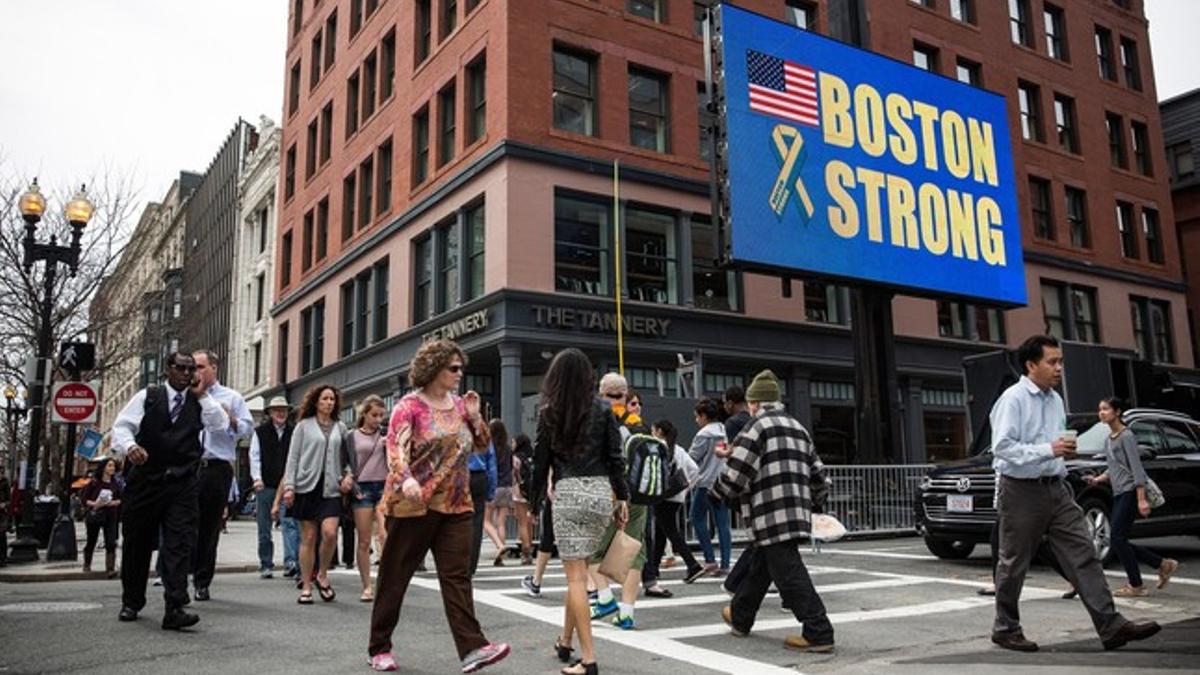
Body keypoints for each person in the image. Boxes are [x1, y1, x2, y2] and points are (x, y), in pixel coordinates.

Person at [989, 335, 1160, 652]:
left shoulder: (1055, 399)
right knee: (1013, 563)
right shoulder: (1013, 399)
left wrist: (1063, 452)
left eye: (1060, 361)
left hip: (1057, 488)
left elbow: (1057, 442)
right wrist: (1048, 448)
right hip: (1021, 490)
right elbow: (1002, 447)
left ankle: (1110, 626)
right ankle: (1005, 628)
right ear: (1030, 365)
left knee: (1084, 553)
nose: (1059, 368)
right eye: (1052, 362)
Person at [368, 339, 510, 673]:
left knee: (457, 577)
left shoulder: (461, 405)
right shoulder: (409, 406)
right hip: (415, 504)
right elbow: (395, 448)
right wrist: (406, 480)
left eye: (462, 368)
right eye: (454, 368)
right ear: (434, 369)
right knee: (395, 576)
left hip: (457, 504)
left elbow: (481, 446)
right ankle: (379, 648)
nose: (461, 374)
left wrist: (475, 417)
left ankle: (473, 648)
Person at [713, 369, 835, 653]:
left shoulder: (756, 428)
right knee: (762, 566)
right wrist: (816, 501)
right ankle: (740, 617)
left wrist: (715, 494)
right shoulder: (798, 428)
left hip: (769, 514)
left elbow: (737, 473)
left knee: (789, 575)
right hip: (796, 512)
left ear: (754, 403)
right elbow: (819, 475)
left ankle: (819, 631)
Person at [110, 351, 230, 629]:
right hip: (146, 481)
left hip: (182, 483)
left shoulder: (200, 402)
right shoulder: (148, 397)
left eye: (192, 370)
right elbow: (122, 427)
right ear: (168, 370)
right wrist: (130, 447)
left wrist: (201, 395)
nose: (187, 374)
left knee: (179, 544)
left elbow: (220, 426)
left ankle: (175, 607)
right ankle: (131, 601)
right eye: (181, 368)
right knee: (137, 543)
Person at [533, 349, 629, 675]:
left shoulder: (549, 412)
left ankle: (588, 661)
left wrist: (534, 504)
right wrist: (623, 499)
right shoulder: (604, 409)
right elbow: (617, 458)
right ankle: (565, 641)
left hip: (569, 493)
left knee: (576, 578)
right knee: (581, 572)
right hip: (601, 492)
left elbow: (540, 463)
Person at [1085, 397, 1179, 597]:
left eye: (1105, 409)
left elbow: (1136, 468)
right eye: (1099, 409)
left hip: (1130, 492)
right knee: (1119, 539)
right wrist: (1098, 479)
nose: (1101, 413)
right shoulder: (1109, 439)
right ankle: (1162, 564)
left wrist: (1141, 498)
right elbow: (1113, 468)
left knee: (1117, 538)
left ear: (1117, 412)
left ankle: (1137, 584)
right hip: (1119, 492)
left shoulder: (1126, 436)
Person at [189, 350, 254, 602]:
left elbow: (247, 430)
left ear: (214, 368)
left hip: (216, 468)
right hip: (189, 466)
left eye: (201, 366)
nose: (196, 372)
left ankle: (202, 581)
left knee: (208, 527)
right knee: (183, 523)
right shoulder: (185, 395)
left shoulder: (232, 396)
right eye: (193, 367)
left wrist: (232, 418)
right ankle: (178, 573)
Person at [282, 384, 353, 606]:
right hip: (306, 487)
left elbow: (348, 457)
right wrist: (289, 487)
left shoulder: (340, 427)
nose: (329, 403)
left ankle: (322, 574)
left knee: (330, 533)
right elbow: (292, 458)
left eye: (332, 399)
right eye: (324, 399)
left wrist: (349, 476)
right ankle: (306, 585)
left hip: (331, 487)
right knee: (309, 537)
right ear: (316, 402)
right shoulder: (303, 426)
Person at [587, 376, 649, 630]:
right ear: (625, 395)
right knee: (635, 551)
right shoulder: (638, 423)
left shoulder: (600, 420)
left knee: (590, 547)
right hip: (639, 495)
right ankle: (627, 613)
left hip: (612, 493)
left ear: (601, 393)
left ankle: (603, 597)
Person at [643, 419, 702, 596]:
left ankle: (692, 564)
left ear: (659, 431)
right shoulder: (678, 449)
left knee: (670, 531)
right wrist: (686, 487)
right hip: (677, 497)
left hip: (662, 496)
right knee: (663, 531)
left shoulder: (657, 446)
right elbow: (694, 469)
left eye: (653, 430)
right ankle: (653, 568)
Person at [347, 394, 390, 601]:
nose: (378, 419)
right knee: (364, 540)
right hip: (362, 488)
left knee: (385, 534)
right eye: (374, 415)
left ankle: (386, 583)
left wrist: (389, 446)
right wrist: (348, 481)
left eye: (381, 415)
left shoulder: (386, 434)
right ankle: (367, 585)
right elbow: (346, 463)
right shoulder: (352, 436)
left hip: (383, 486)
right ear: (364, 414)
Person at [250, 396, 297, 579]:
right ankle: (266, 564)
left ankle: (290, 562)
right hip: (266, 486)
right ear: (270, 413)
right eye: (277, 409)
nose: (281, 413)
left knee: (289, 524)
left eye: (284, 409)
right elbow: (254, 456)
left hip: (287, 485)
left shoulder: (293, 432)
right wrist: (257, 479)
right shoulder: (260, 432)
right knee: (264, 528)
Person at [688, 397, 732, 579]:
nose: (696, 420)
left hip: (705, 482)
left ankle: (709, 558)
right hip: (721, 481)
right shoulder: (723, 430)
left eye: (697, 416)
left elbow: (692, 458)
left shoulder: (703, 435)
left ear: (704, 416)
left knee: (696, 517)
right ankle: (725, 564)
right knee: (722, 522)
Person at [81, 458, 123, 577]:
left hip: (111, 515)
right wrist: (95, 504)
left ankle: (110, 568)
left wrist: (115, 502)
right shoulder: (94, 482)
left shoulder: (116, 483)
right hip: (96, 515)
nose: (112, 468)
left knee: (111, 542)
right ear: (104, 467)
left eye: (114, 466)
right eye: (110, 466)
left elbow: (121, 499)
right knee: (91, 540)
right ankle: (87, 564)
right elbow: (84, 499)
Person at [467, 424, 497, 577]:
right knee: (476, 522)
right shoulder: (483, 433)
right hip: (479, 476)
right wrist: (491, 491)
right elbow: (491, 464)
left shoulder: (454, 427)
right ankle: (471, 566)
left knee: (454, 520)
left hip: (459, 475)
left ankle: (456, 561)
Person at [484, 419, 514, 567]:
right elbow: (511, 468)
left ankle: (498, 546)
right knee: (501, 522)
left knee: (486, 521)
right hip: (507, 487)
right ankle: (501, 553)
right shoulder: (508, 448)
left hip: (494, 486)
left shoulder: (489, 447)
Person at [511, 433, 536, 566]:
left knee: (522, 523)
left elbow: (513, 476)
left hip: (519, 491)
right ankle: (530, 547)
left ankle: (526, 552)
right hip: (532, 492)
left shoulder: (516, 458)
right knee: (529, 521)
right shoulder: (532, 457)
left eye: (514, 442)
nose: (512, 445)